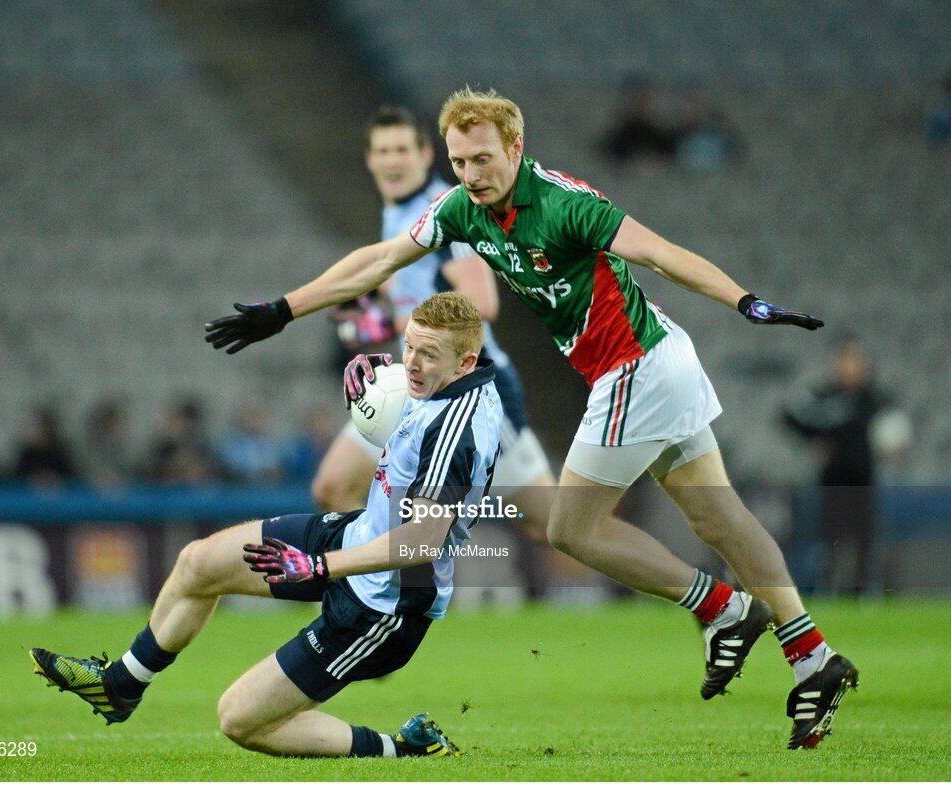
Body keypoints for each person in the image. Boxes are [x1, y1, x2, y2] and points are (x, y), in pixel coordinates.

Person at [202, 87, 859, 750]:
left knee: (571, 529)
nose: (470, 175)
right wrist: (284, 309)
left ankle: (721, 608)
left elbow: (656, 252)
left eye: (483, 160)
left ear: (517, 148)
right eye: (459, 162)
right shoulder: (463, 208)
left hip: (637, 367)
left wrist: (744, 301)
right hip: (657, 363)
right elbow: (378, 260)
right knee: (720, 519)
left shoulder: (566, 202)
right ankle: (813, 657)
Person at [32, 293, 500, 759]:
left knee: (240, 720)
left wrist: (319, 565)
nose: (412, 363)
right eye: (410, 347)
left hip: (386, 601)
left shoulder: (458, 429)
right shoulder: (447, 383)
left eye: (428, 355)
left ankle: (404, 750)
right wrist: (374, 400)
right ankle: (119, 687)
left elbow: (421, 542)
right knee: (198, 564)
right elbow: (405, 440)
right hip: (357, 536)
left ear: (466, 362)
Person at [312, 106, 554, 547]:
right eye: (383, 150)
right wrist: (375, 310)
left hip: (474, 386)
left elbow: (482, 302)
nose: (393, 160)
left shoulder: (448, 208)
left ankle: (688, 591)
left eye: (402, 149)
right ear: (369, 159)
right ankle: (366, 601)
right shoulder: (399, 215)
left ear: (426, 155)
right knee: (334, 487)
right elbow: (417, 289)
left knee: (554, 528)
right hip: (421, 384)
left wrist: (389, 320)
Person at [783, 336, 884, 595]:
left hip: (863, 478)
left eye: (853, 360)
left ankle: (862, 592)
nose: (848, 366)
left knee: (864, 542)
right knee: (830, 541)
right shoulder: (828, 397)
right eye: (844, 360)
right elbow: (797, 420)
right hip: (834, 478)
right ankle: (827, 589)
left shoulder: (872, 399)